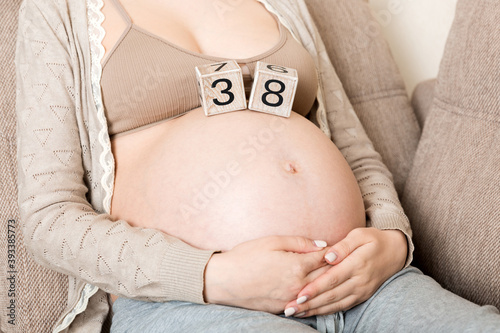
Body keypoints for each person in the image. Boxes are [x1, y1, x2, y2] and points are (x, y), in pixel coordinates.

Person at [15, 0, 499, 332]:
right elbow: (49, 218)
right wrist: (212, 276)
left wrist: (392, 239)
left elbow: (354, 149)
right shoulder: (61, 11)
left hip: (362, 284)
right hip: (199, 305)